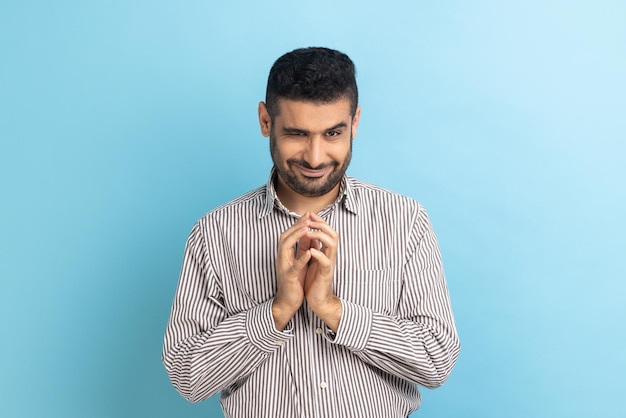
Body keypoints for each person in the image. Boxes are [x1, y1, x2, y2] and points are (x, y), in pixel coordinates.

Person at [162, 47, 460, 418]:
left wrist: (332, 310)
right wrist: (276, 310)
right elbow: (188, 376)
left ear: (355, 122)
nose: (316, 157)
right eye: (297, 133)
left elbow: (436, 360)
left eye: (333, 132)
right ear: (265, 121)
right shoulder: (214, 234)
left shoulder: (404, 220)